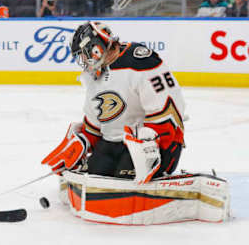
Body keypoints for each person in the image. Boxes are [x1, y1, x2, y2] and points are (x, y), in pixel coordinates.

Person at [42, 21, 185, 186]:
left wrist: (151, 145)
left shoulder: (141, 61)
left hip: (153, 144)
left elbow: (169, 110)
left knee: (124, 182)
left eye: (84, 55)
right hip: (113, 142)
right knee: (94, 177)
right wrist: (81, 145)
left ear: (97, 49)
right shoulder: (94, 75)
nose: (84, 62)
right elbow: (95, 122)